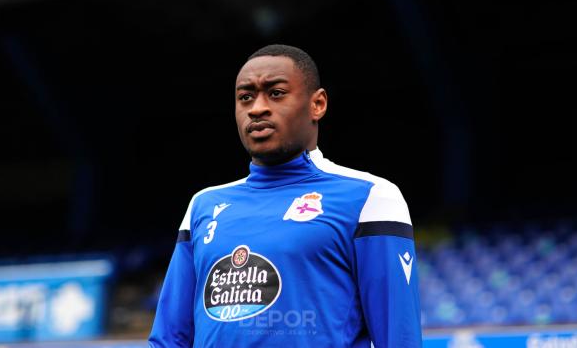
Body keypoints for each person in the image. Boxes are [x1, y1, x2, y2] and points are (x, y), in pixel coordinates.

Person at [149, 44, 421, 348]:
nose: (257, 108)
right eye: (245, 97)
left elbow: (399, 338)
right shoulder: (203, 206)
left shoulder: (370, 197)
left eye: (275, 93)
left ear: (317, 104)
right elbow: (169, 338)